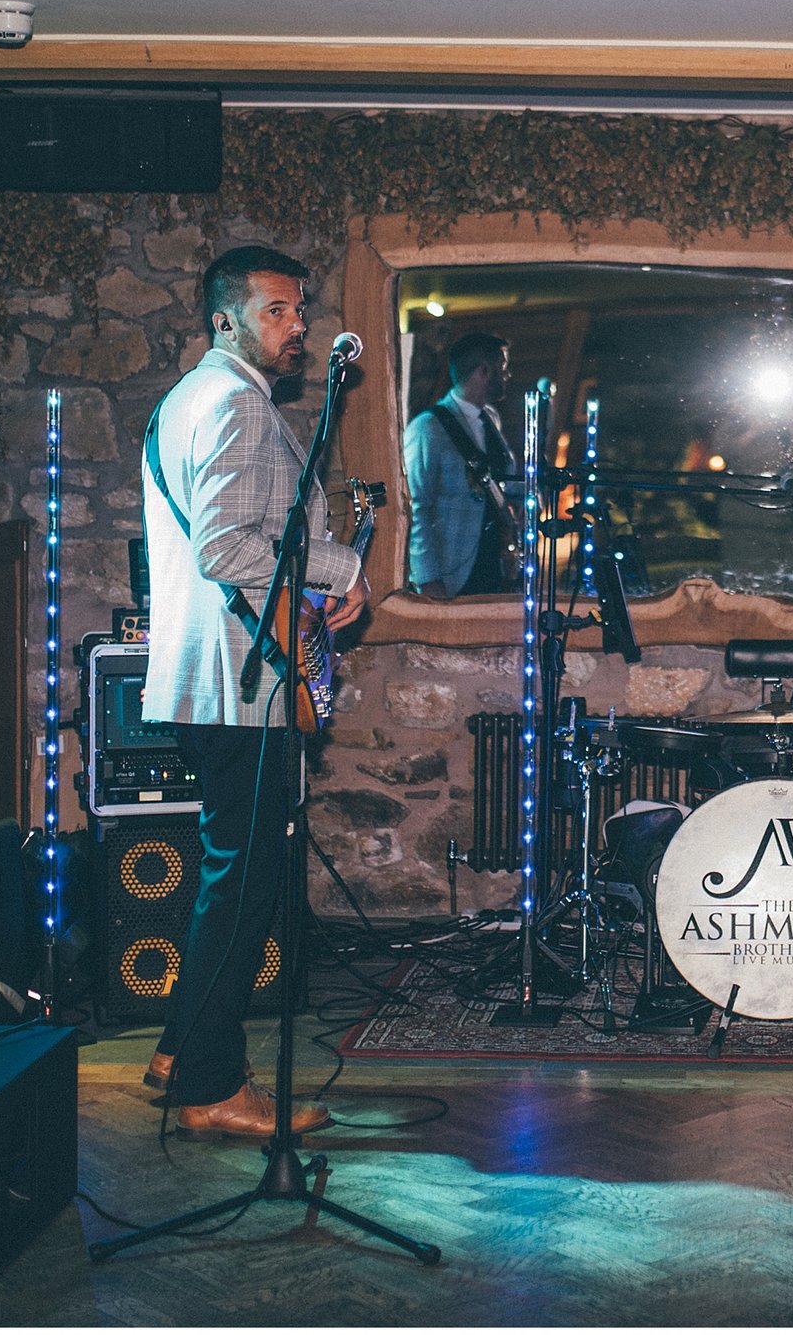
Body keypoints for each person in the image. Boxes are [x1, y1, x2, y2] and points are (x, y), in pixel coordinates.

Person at [140, 245, 370, 1137]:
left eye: (299, 309)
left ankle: (178, 1046)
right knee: (243, 886)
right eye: (277, 309)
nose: (298, 325)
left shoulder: (186, 398)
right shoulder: (236, 403)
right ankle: (207, 1085)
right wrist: (342, 566)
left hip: (212, 678)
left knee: (226, 873)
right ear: (225, 319)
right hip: (241, 683)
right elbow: (227, 547)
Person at [404, 330, 517, 598]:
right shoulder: (428, 428)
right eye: (503, 368)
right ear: (483, 372)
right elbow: (416, 506)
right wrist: (427, 577)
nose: (508, 375)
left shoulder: (490, 418)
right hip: (452, 573)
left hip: (493, 568)